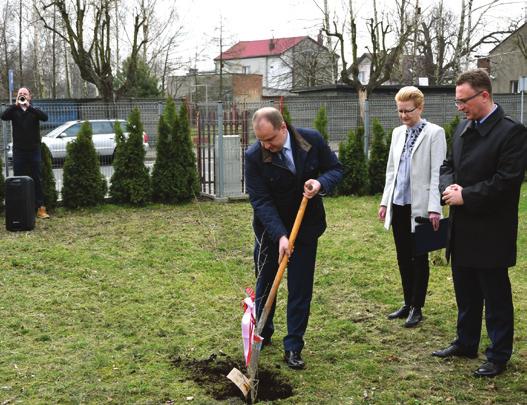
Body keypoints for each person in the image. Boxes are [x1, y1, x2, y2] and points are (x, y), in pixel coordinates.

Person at [433, 69, 527, 377]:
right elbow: (448, 164)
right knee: (466, 290)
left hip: (491, 229)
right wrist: (448, 189)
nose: (459, 107)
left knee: (495, 294)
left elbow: (507, 181)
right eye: (457, 101)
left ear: (484, 95)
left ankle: (498, 354)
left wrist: (467, 196)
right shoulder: (463, 128)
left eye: (463, 101)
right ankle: (466, 341)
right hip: (461, 227)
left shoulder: (512, 132)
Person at [245, 107, 342, 369]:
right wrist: (280, 236)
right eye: (261, 140)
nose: (266, 146)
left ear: (283, 128)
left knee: (300, 288)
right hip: (269, 231)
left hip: (306, 227)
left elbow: (335, 169)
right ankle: (263, 332)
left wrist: (320, 183)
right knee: (266, 284)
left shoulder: (311, 141)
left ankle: (293, 345)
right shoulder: (254, 156)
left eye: (270, 140)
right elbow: (261, 200)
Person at [379, 86, 447, 328]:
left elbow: (438, 174)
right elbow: (391, 171)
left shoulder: (434, 133)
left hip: (421, 207)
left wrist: (435, 208)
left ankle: (417, 307)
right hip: (399, 204)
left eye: (408, 111)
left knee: (419, 257)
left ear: (420, 108)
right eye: (399, 111)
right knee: (402, 256)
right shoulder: (398, 133)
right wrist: (385, 201)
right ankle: (407, 302)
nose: (403, 116)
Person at [1, 87, 50, 219]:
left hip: (34, 150)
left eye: (25, 94)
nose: (22, 95)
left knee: (37, 179)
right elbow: (3, 116)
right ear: (17, 96)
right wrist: (15, 105)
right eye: (20, 94)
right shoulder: (14, 110)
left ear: (30, 97)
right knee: (18, 179)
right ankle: (21, 208)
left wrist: (29, 107)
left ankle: (40, 208)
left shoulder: (35, 110)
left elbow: (45, 118)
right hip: (19, 151)